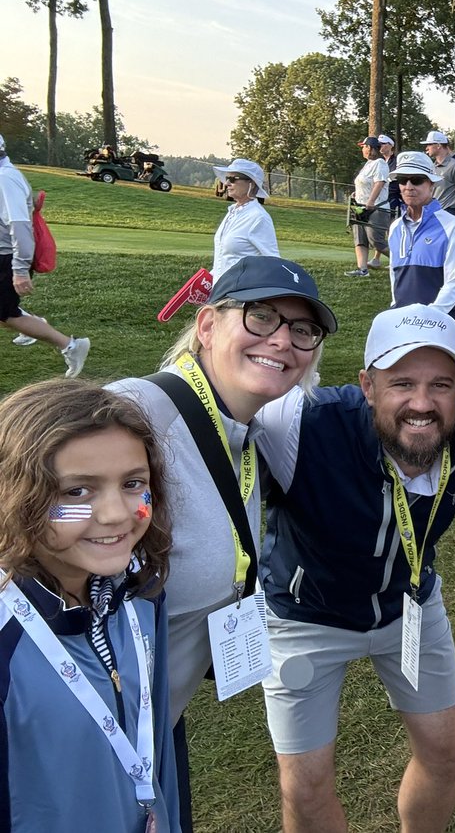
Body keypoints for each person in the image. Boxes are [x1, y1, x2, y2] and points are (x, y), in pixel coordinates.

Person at [255, 304, 455, 833]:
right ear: (367, 385)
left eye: (440, 385)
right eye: (401, 383)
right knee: (304, 785)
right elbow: (199, 412)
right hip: (304, 617)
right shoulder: (299, 422)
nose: (422, 403)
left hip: (410, 606)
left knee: (446, 752)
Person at [109, 257, 335, 723]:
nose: (282, 340)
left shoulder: (245, 434)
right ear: (208, 326)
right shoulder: (136, 413)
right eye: (261, 316)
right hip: (90, 730)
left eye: (303, 330)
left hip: (154, 728)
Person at [0, 378, 180, 832]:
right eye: (76, 492)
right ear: (15, 494)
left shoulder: (141, 594)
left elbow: (156, 746)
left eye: (133, 484)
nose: (116, 514)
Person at [0, 132, 90, 375]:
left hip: (7, 257)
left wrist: (20, 269)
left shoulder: (5, 179)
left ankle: (71, 345)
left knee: (6, 314)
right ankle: (33, 325)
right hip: (4, 254)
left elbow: (20, 226)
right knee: (5, 312)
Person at [386, 151, 455, 324]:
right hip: (403, 321)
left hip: (442, 322)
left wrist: (429, 316)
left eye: (416, 180)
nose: (408, 186)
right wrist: (395, 308)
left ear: (431, 184)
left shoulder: (451, 225)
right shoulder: (395, 228)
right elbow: (395, 276)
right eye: (402, 180)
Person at [210, 159, 279, 281]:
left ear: (251, 183)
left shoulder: (259, 217)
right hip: (221, 290)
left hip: (241, 291)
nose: (227, 183)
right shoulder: (232, 212)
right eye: (227, 178)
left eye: (233, 179)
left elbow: (273, 262)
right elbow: (223, 258)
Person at [346, 136, 391, 277]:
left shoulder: (380, 163)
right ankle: (362, 269)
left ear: (370, 148)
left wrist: (371, 200)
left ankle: (404, 262)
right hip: (360, 207)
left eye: (364, 147)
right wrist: (357, 193)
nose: (362, 150)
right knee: (360, 239)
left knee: (376, 240)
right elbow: (364, 183)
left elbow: (379, 183)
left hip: (377, 207)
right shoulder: (368, 164)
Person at [420, 130, 455, 239]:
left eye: (429, 144)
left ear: (439, 145)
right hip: (434, 213)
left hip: (450, 214)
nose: (427, 148)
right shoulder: (432, 167)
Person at [379, 134, 401, 216]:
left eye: (383, 143)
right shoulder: (379, 162)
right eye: (379, 144)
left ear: (391, 145)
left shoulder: (398, 161)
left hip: (392, 199)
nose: (380, 146)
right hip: (379, 199)